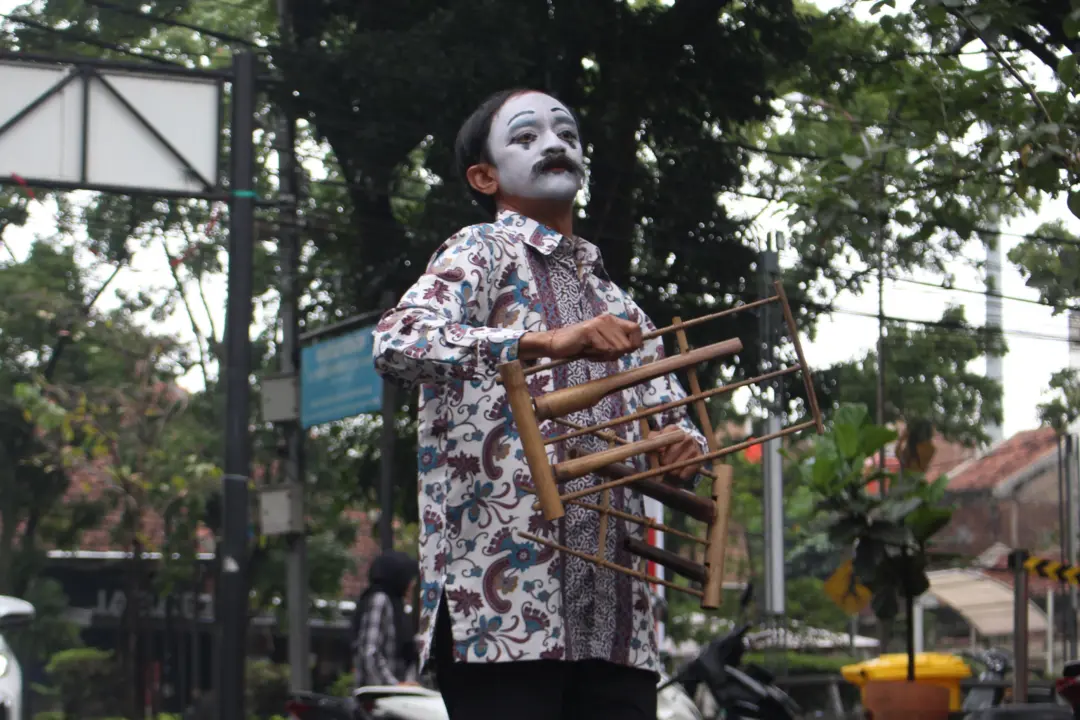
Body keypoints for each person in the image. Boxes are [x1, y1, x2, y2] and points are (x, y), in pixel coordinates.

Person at [372, 88, 707, 720]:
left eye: (568, 135)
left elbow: (676, 423)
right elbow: (396, 342)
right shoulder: (479, 252)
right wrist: (539, 340)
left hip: (618, 625)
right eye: (526, 137)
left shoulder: (620, 302)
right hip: (500, 617)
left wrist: (685, 450)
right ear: (484, 176)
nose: (555, 144)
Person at [351, 550, 420, 688]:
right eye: (408, 577)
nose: (411, 584)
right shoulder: (380, 600)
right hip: (377, 697)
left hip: (396, 697)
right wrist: (394, 686)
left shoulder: (398, 607)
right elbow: (369, 651)